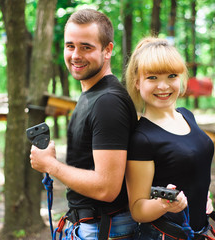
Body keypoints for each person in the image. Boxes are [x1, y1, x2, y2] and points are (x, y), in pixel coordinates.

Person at [30, 8, 138, 240]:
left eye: (86, 47)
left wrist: (51, 165)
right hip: (93, 226)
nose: (76, 55)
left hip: (105, 230)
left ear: (107, 50)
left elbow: (106, 188)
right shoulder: (93, 94)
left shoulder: (107, 102)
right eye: (70, 46)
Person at [124, 37, 215, 240]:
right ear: (137, 81)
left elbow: (193, 171)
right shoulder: (141, 138)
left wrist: (203, 196)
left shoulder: (187, 115)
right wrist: (163, 204)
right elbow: (137, 208)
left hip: (200, 231)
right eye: (152, 78)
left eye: (171, 76)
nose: (163, 86)